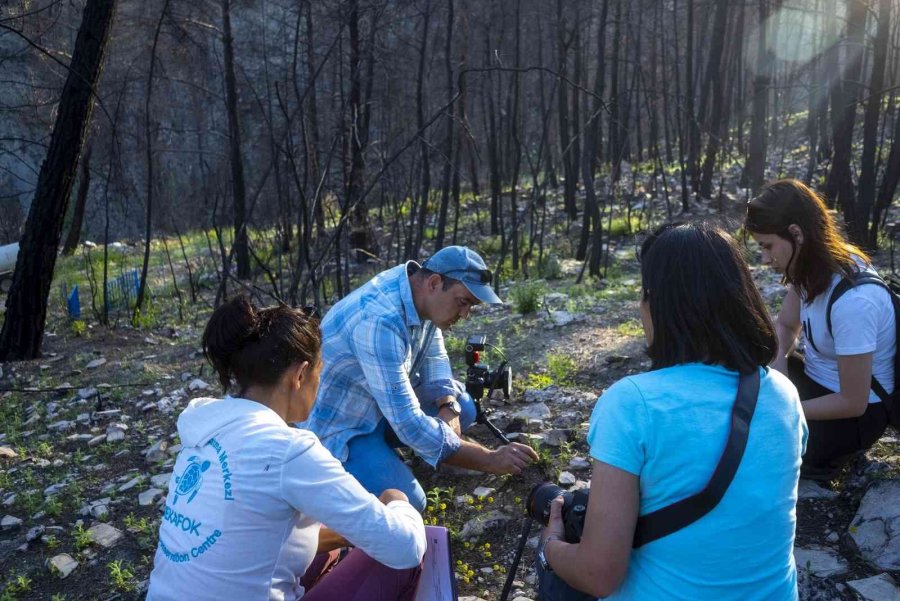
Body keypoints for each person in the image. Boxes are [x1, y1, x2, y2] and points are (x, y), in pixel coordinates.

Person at [537, 224, 807, 600]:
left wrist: (550, 544)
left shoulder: (632, 403)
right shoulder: (783, 394)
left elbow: (598, 574)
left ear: (656, 303)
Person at [147, 296, 426, 601]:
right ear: (300, 375)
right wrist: (397, 501)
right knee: (402, 557)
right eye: (321, 372)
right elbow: (404, 549)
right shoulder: (289, 450)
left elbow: (242, 535)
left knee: (325, 547)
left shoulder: (202, 427)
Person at [301, 245, 538, 512]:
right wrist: (490, 460)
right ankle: (374, 461)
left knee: (464, 405)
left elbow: (433, 353)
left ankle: (419, 451)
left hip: (379, 406)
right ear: (435, 283)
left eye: (471, 305)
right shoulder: (380, 320)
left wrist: (447, 403)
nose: (465, 314)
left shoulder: (416, 289)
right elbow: (408, 423)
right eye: (463, 302)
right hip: (343, 426)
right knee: (410, 504)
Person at [745, 179, 892, 480]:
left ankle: (826, 462)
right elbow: (786, 325)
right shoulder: (810, 267)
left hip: (854, 419)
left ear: (796, 234)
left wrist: (785, 406)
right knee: (744, 363)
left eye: (768, 246)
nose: (764, 258)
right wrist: (779, 366)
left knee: (756, 444)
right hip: (816, 385)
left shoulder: (854, 301)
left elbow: (853, 401)